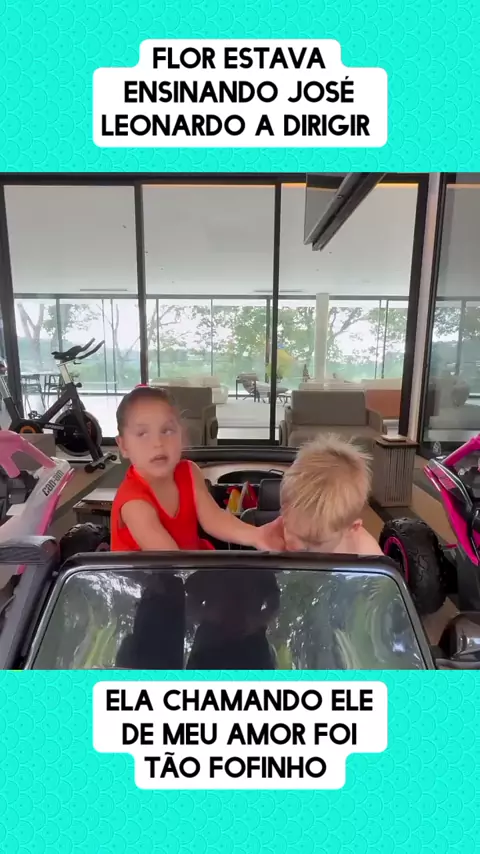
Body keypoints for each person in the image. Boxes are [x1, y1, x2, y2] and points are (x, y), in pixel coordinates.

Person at [110, 385, 284, 552]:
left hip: (190, 563)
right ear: (123, 445)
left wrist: (257, 535)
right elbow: (170, 561)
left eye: (167, 431)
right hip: (162, 571)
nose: (158, 443)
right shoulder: (134, 503)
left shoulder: (189, 472)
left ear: (181, 434)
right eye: (142, 434)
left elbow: (213, 519)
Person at [279, 435, 383, 555]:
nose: (298, 547)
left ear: (351, 527)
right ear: (284, 511)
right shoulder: (272, 537)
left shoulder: (366, 551)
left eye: (315, 543)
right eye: (291, 532)